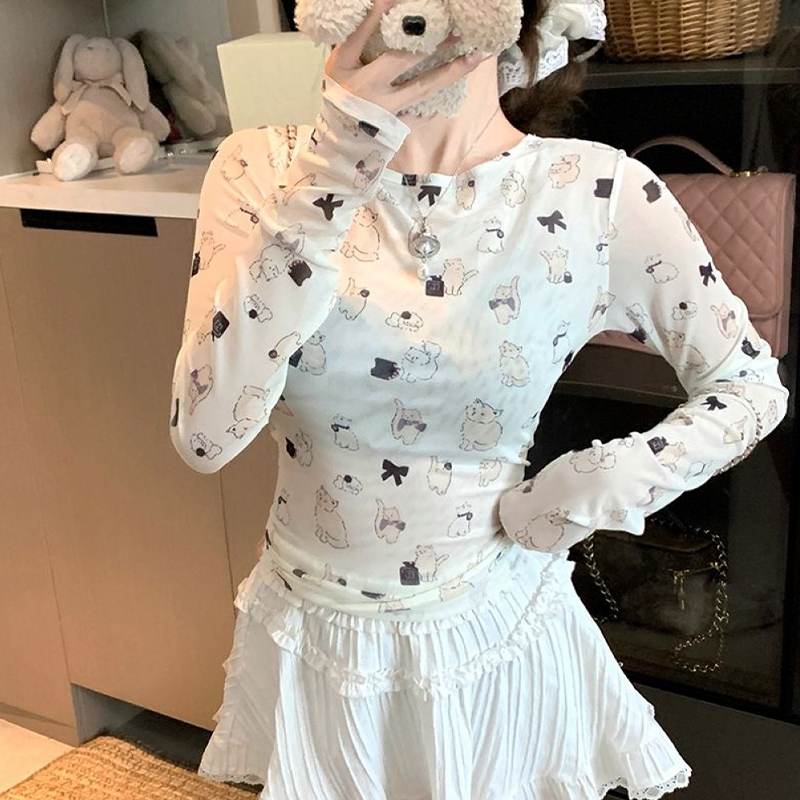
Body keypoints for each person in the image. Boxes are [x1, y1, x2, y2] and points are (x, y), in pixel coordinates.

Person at [168, 1, 790, 798]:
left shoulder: (598, 192)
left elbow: (749, 385)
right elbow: (205, 435)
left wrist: (598, 483)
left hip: (495, 634)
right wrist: (334, 169)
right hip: (311, 633)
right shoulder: (261, 169)